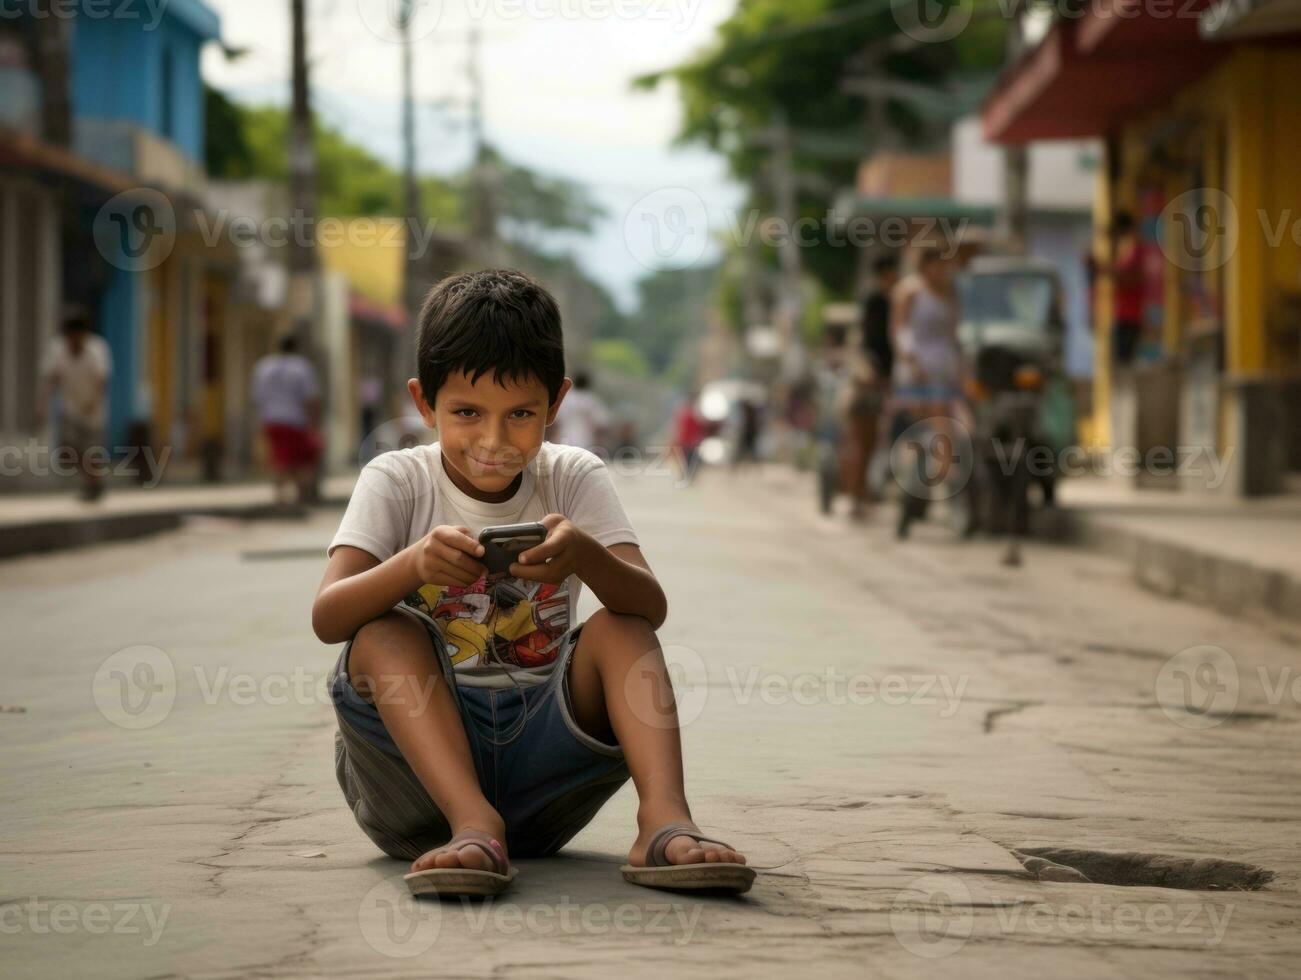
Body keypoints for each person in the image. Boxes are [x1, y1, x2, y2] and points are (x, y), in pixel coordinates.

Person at [312, 270, 752, 898]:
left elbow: (648, 606)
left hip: (544, 776)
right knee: (382, 632)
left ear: (556, 403)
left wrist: (585, 555)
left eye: (520, 414)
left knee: (619, 626)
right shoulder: (396, 479)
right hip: (415, 793)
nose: (494, 441)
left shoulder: (573, 475)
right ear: (423, 403)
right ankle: (471, 822)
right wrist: (411, 567)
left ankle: (663, 819)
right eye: (467, 413)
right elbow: (329, 617)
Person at [37, 306, 113, 501]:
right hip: (69, 408)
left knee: (91, 450)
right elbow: (50, 379)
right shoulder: (57, 350)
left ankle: (93, 483)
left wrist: (93, 403)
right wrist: (43, 405)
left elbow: (102, 381)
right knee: (69, 451)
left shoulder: (97, 348)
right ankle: (93, 481)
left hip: (93, 410)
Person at [252, 334, 322, 509]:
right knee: (299, 461)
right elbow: (310, 398)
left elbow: (257, 397)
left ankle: (280, 496)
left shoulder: (263, 366)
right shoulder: (301, 367)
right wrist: (314, 424)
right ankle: (299, 496)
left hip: (271, 420)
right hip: (295, 421)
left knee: (279, 459)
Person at [1109, 211, 1144, 368]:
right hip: (1122, 312)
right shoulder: (1125, 250)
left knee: (1124, 363)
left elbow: (1134, 278)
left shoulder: (1135, 250)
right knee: (1120, 362)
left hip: (1131, 314)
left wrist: (1114, 274)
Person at [549, 370, 609, 452]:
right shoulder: (592, 400)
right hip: (586, 441)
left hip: (564, 439)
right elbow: (601, 423)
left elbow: (555, 421)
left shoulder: (566, 398)